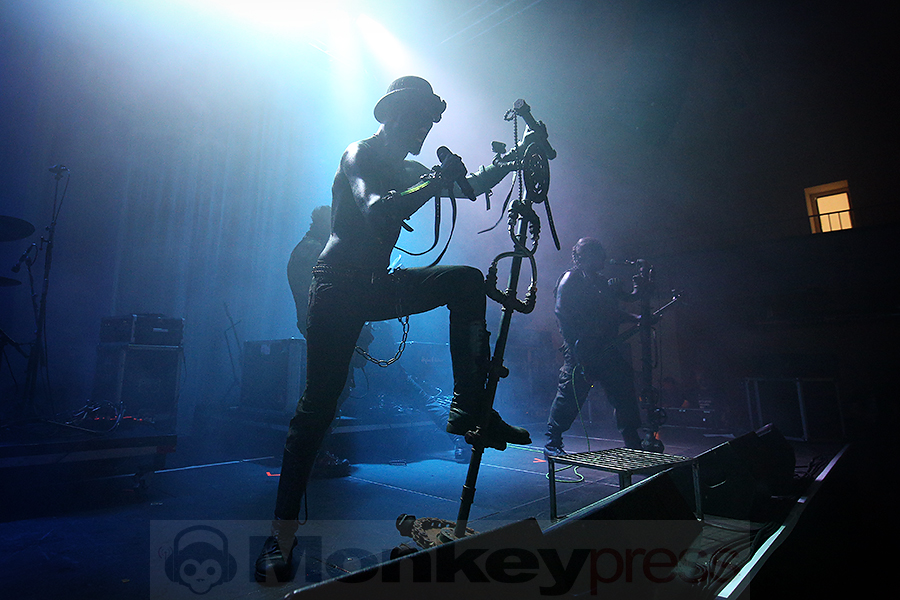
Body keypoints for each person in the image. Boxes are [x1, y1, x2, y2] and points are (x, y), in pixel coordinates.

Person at [256, 76, 530, 583]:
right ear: (393, 114)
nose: (427, 129)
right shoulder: (359, 153)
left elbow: (466, 188)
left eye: (431, 121)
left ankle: (470, 407)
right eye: (421, 118)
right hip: (336, 288)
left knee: (466, 281)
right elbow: (379, 207)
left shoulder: (410, 167)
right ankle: (282, 534)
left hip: (376, 286)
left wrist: (510, 163)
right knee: (316, 410)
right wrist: (433, 181)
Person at [543, 237, 644, 457]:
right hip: (581, 348)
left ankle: (632, 439)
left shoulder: (600, 282)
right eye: (599, 254)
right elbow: (562, 314)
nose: (604, 258)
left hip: (605, 347)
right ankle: (553, 441)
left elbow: (610, 313)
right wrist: (577, 349)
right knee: (570, 394)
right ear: (584, 257)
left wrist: (634, 317)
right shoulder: (571, 279)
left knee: (623, 385)